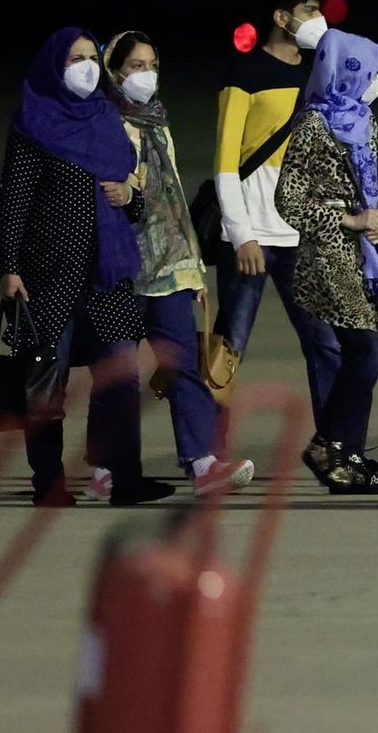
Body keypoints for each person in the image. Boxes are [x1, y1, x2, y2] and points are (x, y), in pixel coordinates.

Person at [0, 28, 175, 506]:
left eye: (93, 56)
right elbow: (13, 202)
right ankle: (48, 483)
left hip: (106, 273)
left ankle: (124, 477)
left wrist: (129, 194)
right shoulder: (33, 124)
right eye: (77, 58)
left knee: (121, 375)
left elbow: (132, 205)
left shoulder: (105, 120)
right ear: (55, 65)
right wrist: (9, 266)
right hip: (47, 275)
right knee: (47, 382)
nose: (88, 66)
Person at [91, 30, 254, 496]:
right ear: (114, 70)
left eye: (151, 65)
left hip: (166, 267)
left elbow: (173, 198)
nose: (146, 75)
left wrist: (191, 266)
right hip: (120, 266)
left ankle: (202, 464)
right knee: (119, 374)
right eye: (136, 66)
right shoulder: (103, 122)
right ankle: (106, 468)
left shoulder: (157, 124)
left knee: (183, 363)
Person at [212, 0, 346, 479]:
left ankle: (335, 451)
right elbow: (226, 163)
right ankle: (212, 455)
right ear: (281, 16)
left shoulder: (318, 73)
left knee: (327, 346)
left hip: (300, 235)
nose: (318, 19)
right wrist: (241, 233)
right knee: (230, 348)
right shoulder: (245, 72)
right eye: (309, 11)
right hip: (250, 238)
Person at [276, 29, 378, 495]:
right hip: (328, 258)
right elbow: (288, 201)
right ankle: (331, 447)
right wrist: (346, 220)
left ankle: (347, 454)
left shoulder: (366, 121)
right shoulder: (311, 125)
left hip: (369, 257)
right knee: (366, 350)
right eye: (367, 70)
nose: (373, 80)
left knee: (361, 353)